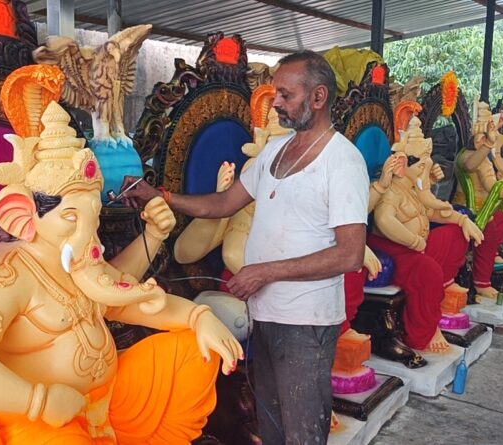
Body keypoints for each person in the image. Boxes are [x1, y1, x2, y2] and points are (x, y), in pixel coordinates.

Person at [121, 50, 369, 444]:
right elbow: (223, 203)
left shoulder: (343, 162)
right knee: (270, 423)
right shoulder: (274, 152)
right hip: (265, 314)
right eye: (276, 93)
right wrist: (161, 195)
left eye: (286, 95)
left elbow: (349, 254)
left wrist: (264, 272)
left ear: (319, 97)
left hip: (306, 321)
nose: (276, 103)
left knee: (302, 430)